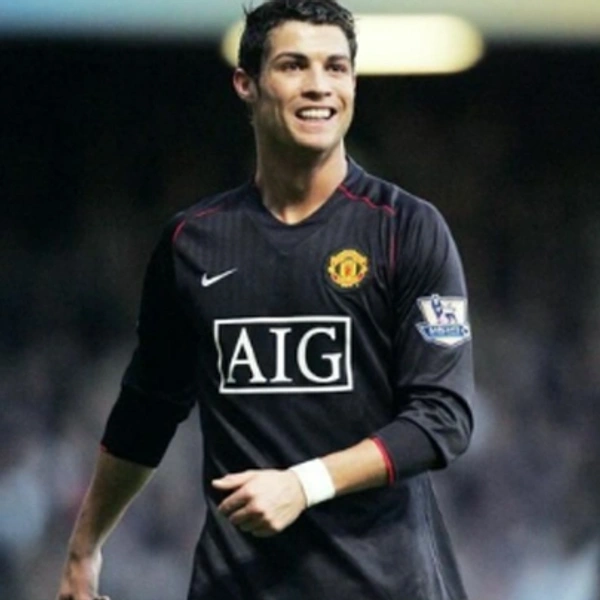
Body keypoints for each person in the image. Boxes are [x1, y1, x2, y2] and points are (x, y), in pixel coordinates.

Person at [56, 1, 475, 599]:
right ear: (246, 84)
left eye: (336, 67)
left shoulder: (405, 229)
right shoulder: (192, 244)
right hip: (238, 585)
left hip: (383, 585)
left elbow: (442, 419)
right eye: (293, 65)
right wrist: (84, 547)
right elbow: (146, 411)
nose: (319, 86)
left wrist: (303, 484)